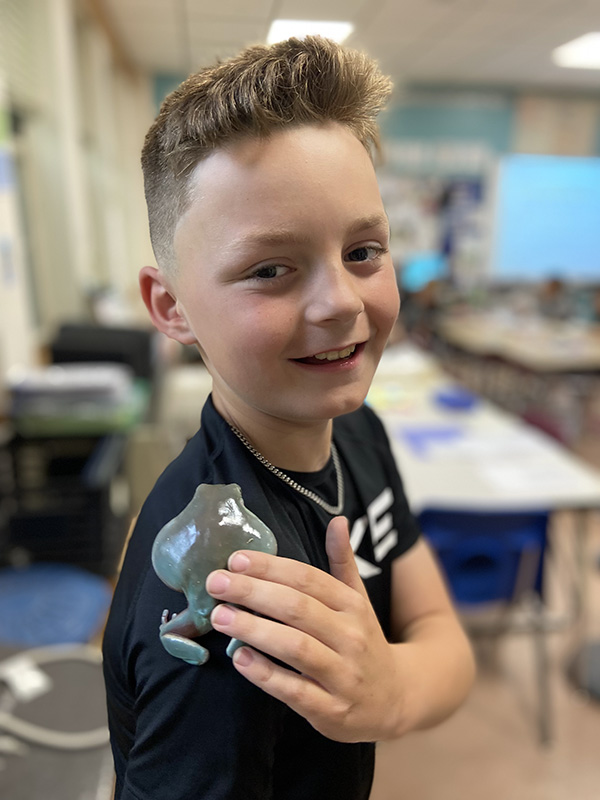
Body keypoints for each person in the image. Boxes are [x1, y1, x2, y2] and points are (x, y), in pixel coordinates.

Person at [102, 36, 475, 800]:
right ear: (172, 308)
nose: (341, 301)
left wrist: (393, 689)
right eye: (269, 269)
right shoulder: (226, 590)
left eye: (364, 251)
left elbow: (440, 629)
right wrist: (394, 692)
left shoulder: (357, 431)